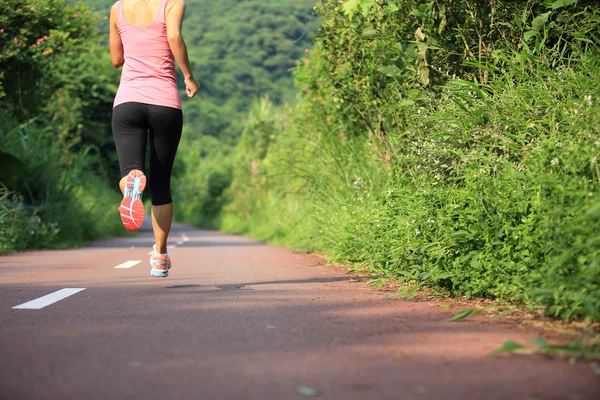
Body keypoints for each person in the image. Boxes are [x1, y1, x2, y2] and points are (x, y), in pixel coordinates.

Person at [109, 0, 200, 277]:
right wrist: (188, 76)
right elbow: (173, 36)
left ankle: (131, 189)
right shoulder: (172, 4)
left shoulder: (117, 8)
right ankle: (160, 256)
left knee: (130, 171)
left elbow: (116, 60)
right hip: (164, 103)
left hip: (127, 104)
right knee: (161, 184)